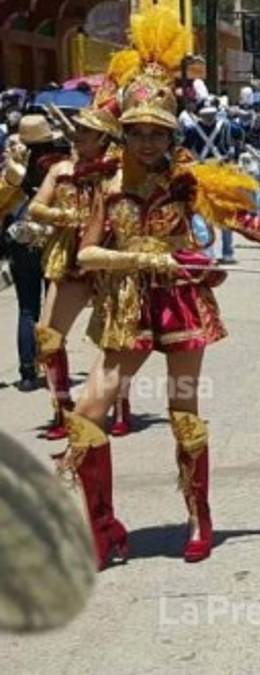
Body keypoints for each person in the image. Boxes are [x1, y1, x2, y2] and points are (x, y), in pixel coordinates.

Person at [57, 5, 260, 570]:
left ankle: (200, 517)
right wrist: (140, 255)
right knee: (88, 410)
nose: (149, 143)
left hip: (179, 301)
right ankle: (103, 524)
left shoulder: (186, 180)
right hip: (127, 303)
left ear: (173, 132)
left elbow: (249, 223)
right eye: (139, 133)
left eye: (159, 133)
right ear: (124, 132)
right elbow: (88, 253)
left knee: (183, 410)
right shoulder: (106, 183)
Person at [26, 80, 132, 440]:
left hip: (109, 261)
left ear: (103, 139)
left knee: (117, 338)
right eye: (76, 132)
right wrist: (66, 217)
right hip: (71, 260)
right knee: (48, 336)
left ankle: (120, 406)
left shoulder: (119, 174)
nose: (76, 139)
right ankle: (61, 409)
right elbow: (36, 207)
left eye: (85, 134)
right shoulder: (60, 171)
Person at [4, 115, 72, 393]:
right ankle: (53, 366)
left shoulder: (13, 167)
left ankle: (28, 373)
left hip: (21, 239)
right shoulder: (57, 164)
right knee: (52, 307)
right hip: (52, 238)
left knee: (26, 307)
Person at [181, 96, 245, 264]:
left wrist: (234, 153)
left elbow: (241, 136)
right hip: (202, 172)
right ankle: (207, 250)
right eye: (205, 114)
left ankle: (228, 251)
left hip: (222, 171)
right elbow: (184, 149)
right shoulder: (192, 130)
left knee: (226, 213)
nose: (208, 118)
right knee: (202, 213)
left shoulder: (226, 126)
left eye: (211, 114)